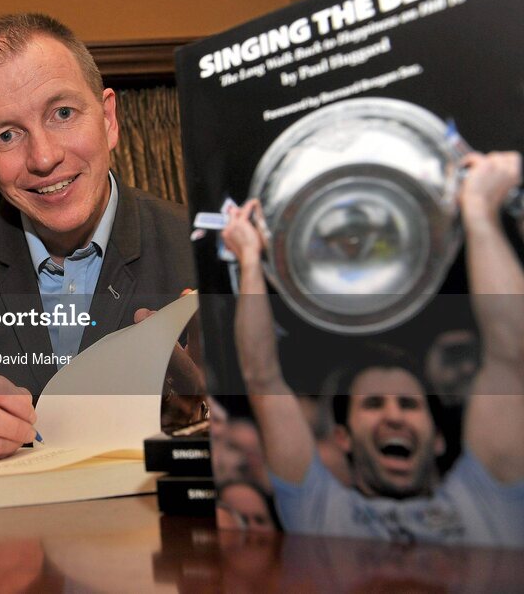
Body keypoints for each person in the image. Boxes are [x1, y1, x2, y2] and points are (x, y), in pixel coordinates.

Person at [0, 13, 202, 462]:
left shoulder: (201, 246)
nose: (44, 158)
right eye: (7, 135)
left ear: (108, 118)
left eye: (63, 113)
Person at [221, 151, 524, 546]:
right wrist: (249, 261)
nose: (394, 416)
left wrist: (480, 215)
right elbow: (262, 378)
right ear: (342, 437)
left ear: (438, 438)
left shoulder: (486, 500)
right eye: (373, 404)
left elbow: (510, 352)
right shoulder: (318, 511)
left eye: (409, 405)